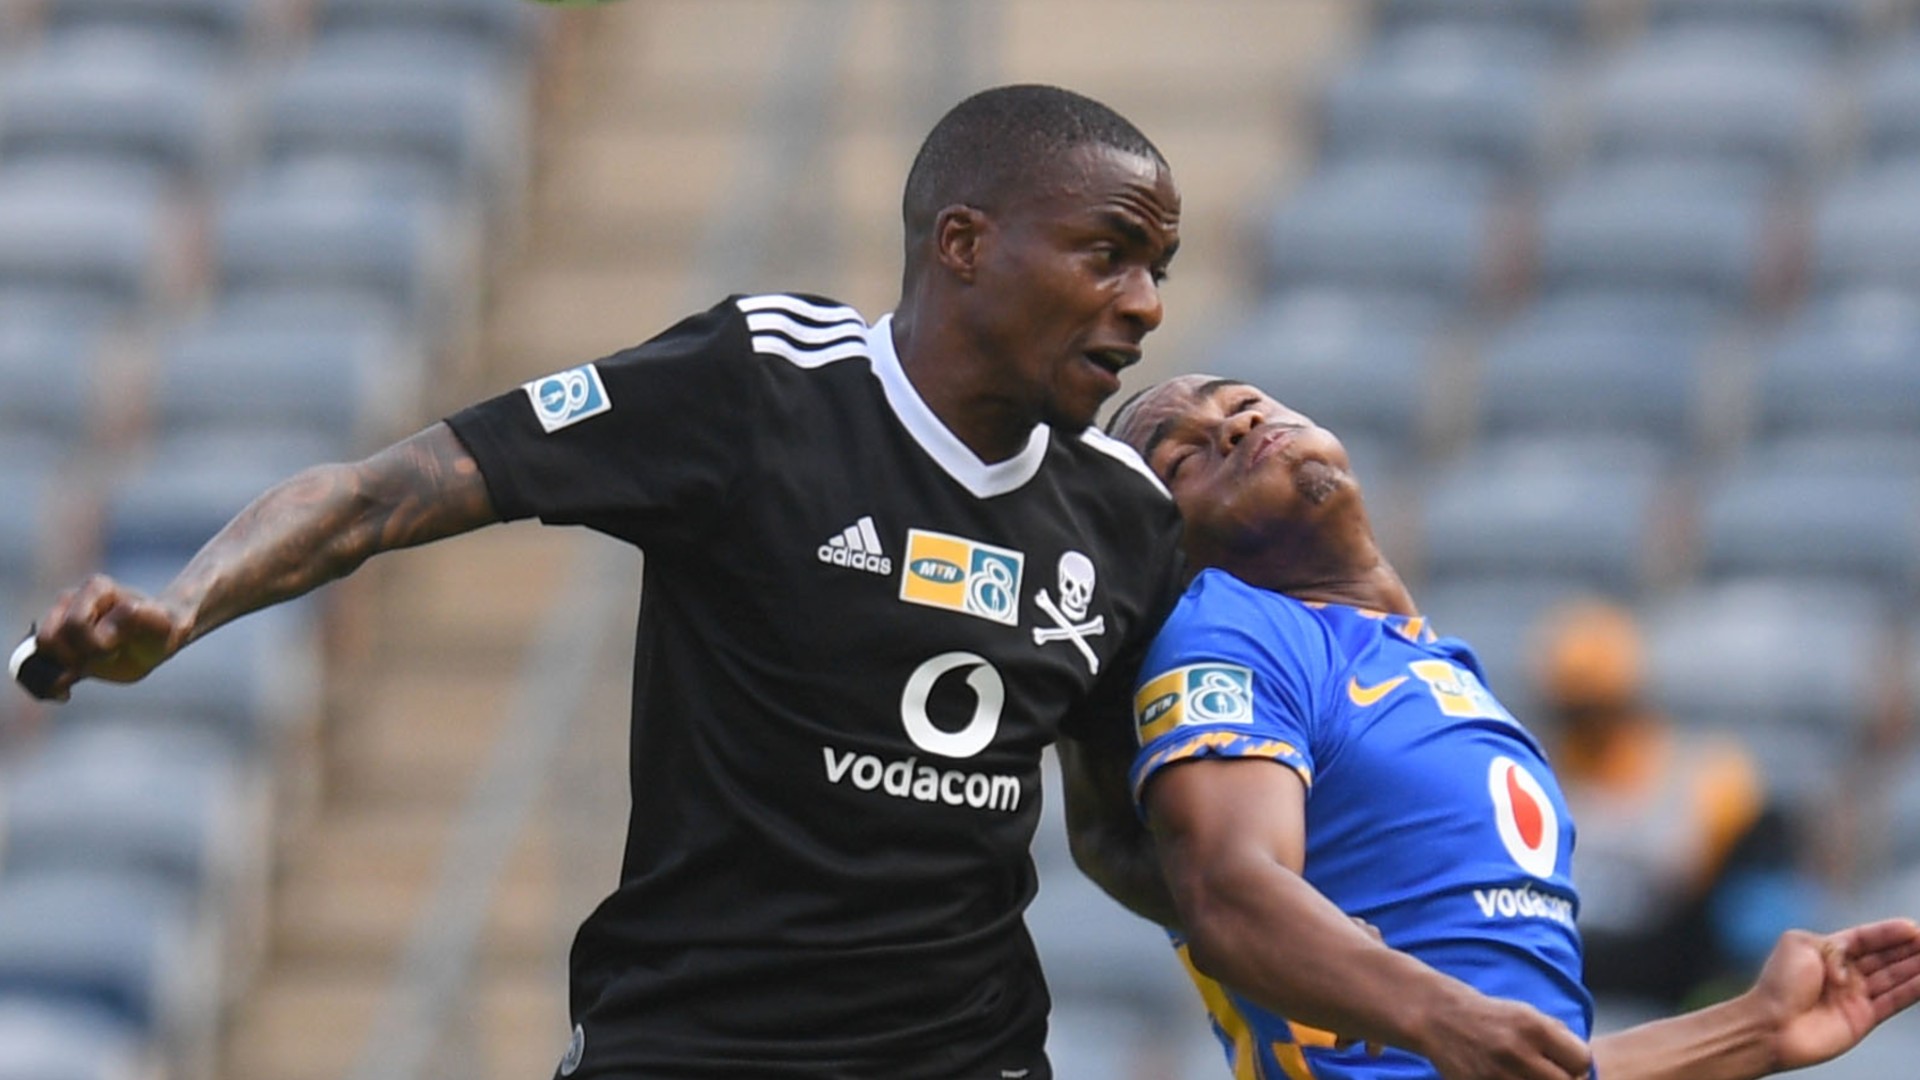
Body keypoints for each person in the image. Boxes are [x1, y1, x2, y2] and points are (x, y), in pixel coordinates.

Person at [16, 84, 1189, 1079]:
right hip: (692, 1045)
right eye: (1110, 255)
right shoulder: (756, 386)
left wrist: (1285, 943)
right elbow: (381, 492)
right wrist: (185, 607)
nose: (1144, 304)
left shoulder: (1125, 518)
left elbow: (1112, 834)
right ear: (964, 244)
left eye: (1158, 269)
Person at [1095, 373, 1920, 1080]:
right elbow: (1230, 893)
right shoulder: (1233, 631)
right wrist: (1440, 1014)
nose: (1235, 423)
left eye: (1242, 400)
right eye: (1184, 458)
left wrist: (1755, 1028)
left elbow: (1517, 1055)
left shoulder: (1438, 668)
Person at [1533, 599, 1822, 1012]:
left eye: (1599, 710)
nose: (1589, 727)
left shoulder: (1708, 776)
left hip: (1665, 982)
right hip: (1564, 970)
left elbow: (1738, 915)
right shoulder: (1532, 775)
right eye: (1575, 713)